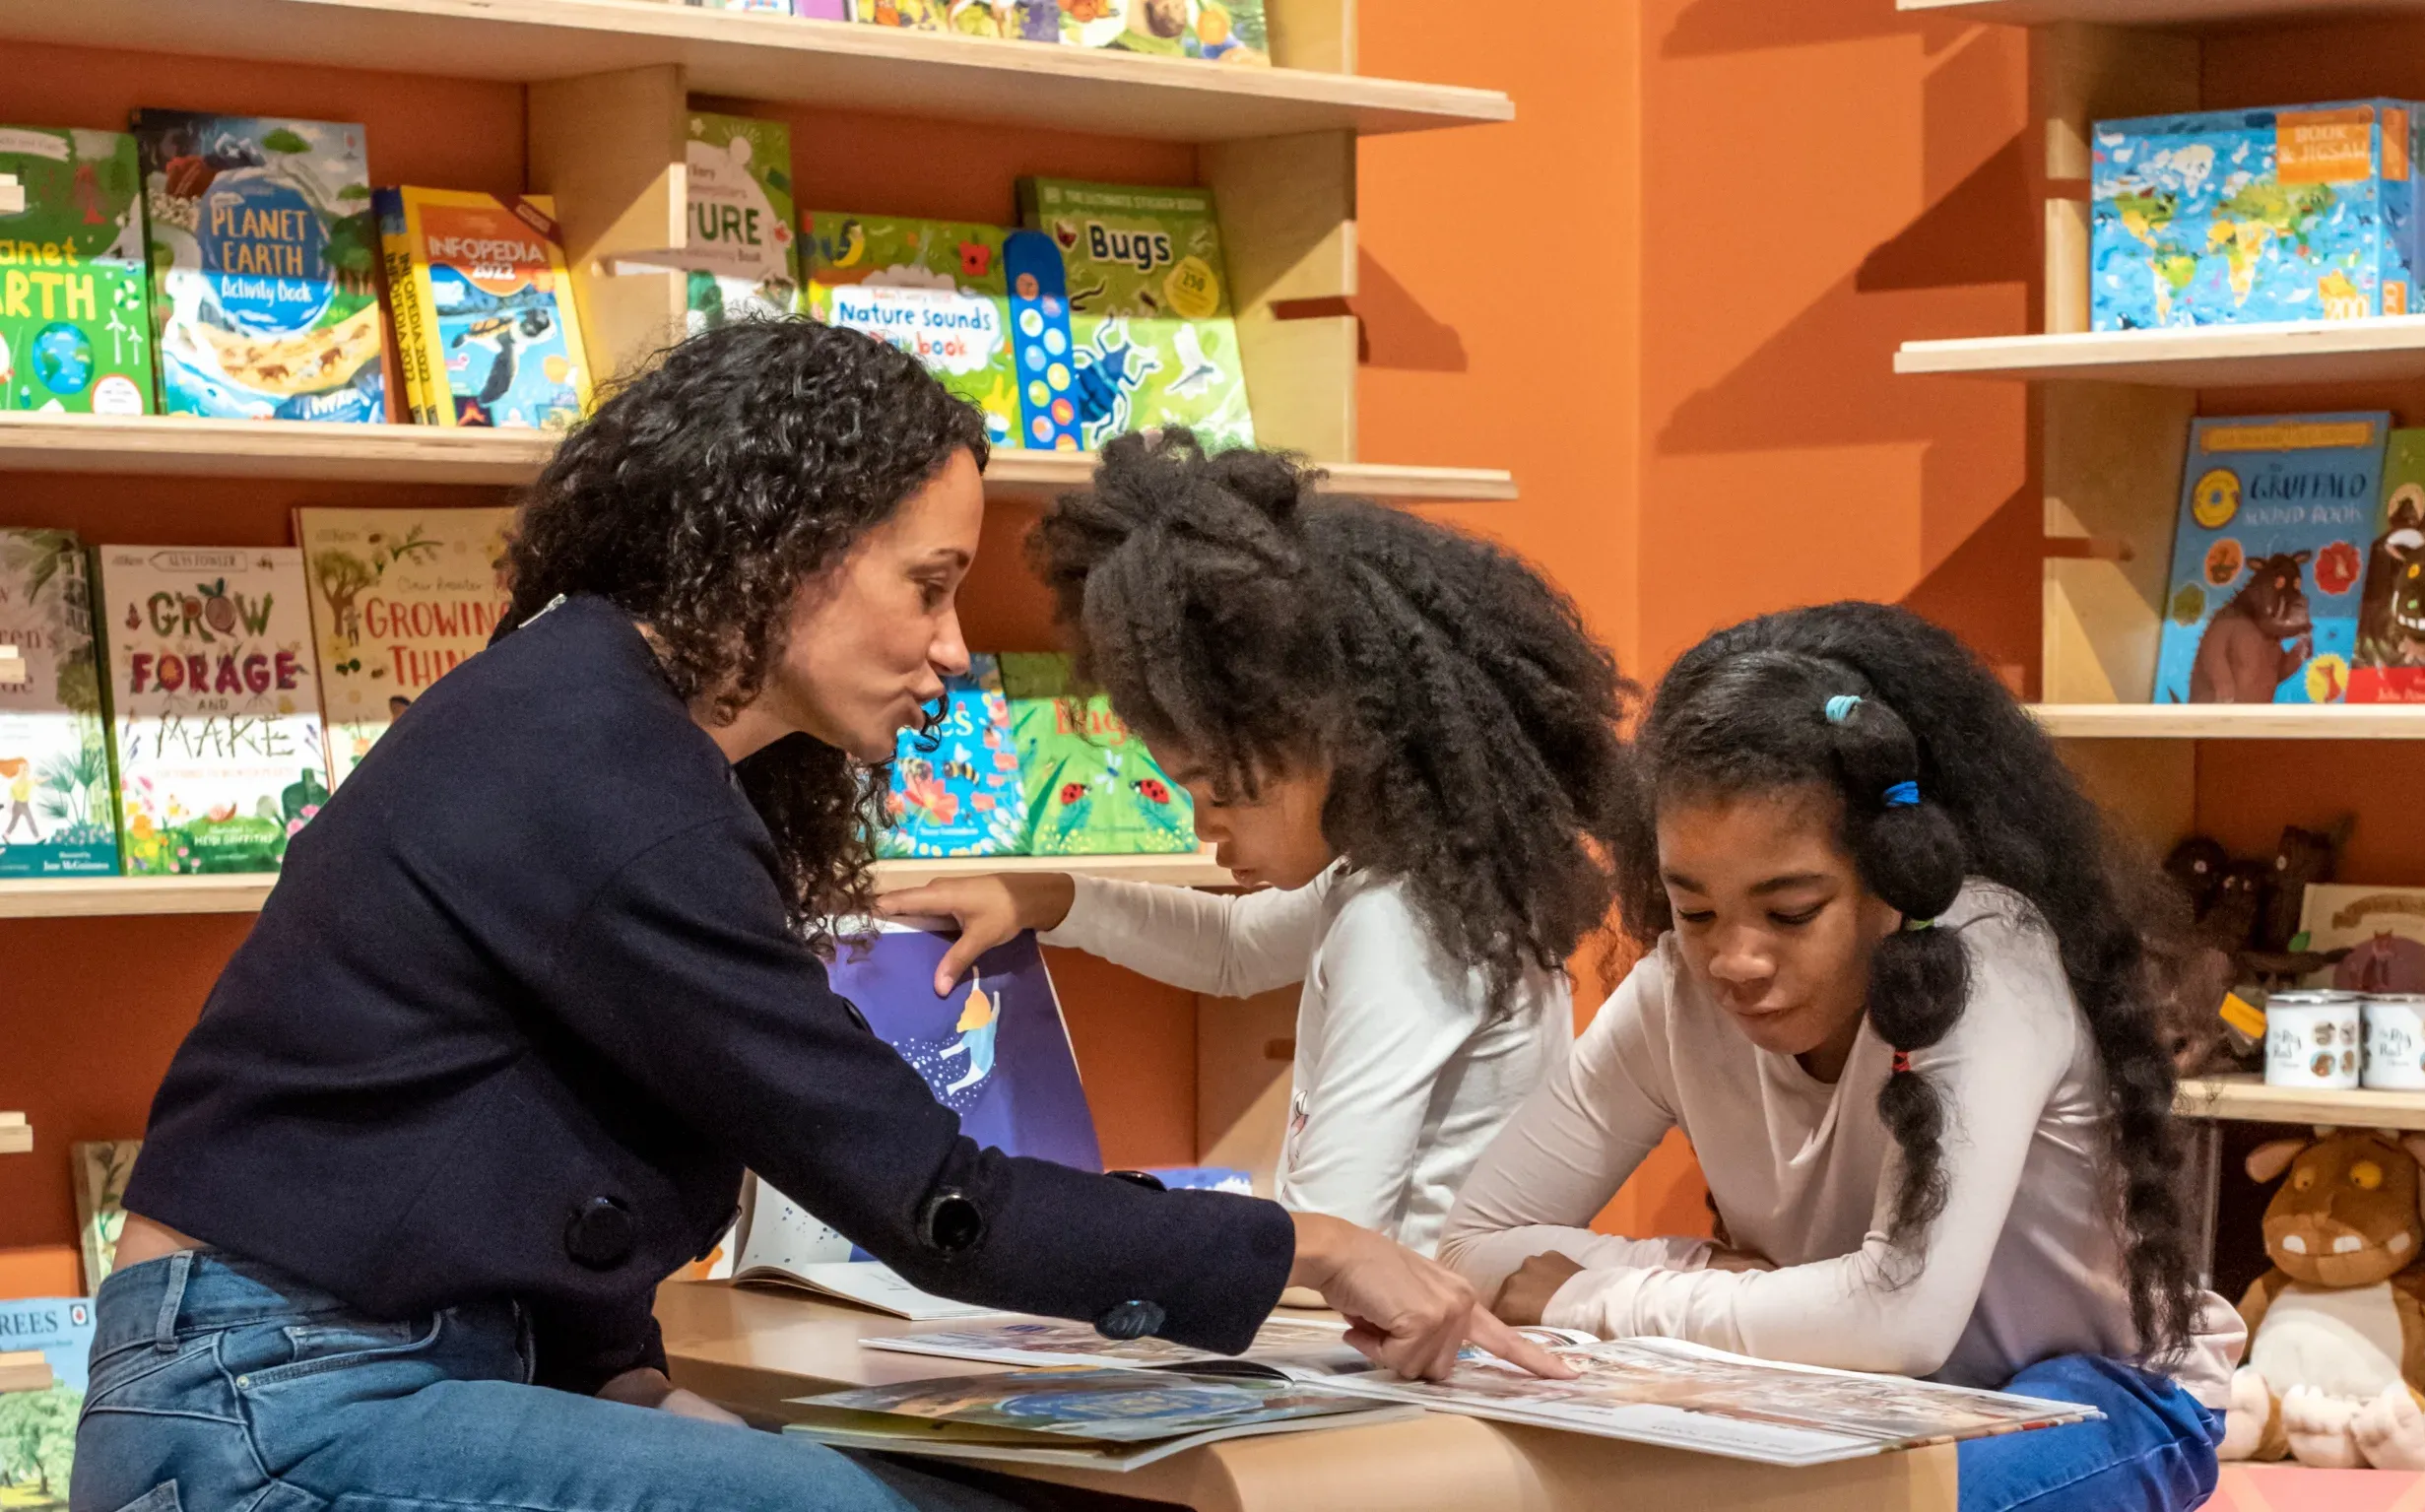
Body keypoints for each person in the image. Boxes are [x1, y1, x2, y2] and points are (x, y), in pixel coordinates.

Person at [71, 324, 1559, 1512]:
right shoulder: (602, 771)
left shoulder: (599, 725)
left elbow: (530, 1145)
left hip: (347, 1375)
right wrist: (1311, 1244)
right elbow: (937, 1202)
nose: (955, 649)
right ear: (787, 548)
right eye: (929, 586)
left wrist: (631, 1377)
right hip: (274, 1404)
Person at [1436, 602, 2248, 1512]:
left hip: (2096, 1388)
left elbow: (1902, 1317)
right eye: (1694, 910)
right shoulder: (1673, 992)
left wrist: (1600, 1296)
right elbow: (1469, 1247)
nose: (1734, 960)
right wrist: (1703, 1275)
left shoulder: (1984, 955)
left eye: (1791, 912)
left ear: (1896, 875)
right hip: (1840, 1395)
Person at [885, 436, 1633, 1258]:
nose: (1205, 831)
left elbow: (1327, 1235)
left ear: (1336, 738)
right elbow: (1233, 946)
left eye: (1220, 792)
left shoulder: (1402, 922)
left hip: (1396, 1323)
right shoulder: (1415, 883)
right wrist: (1043, 898)